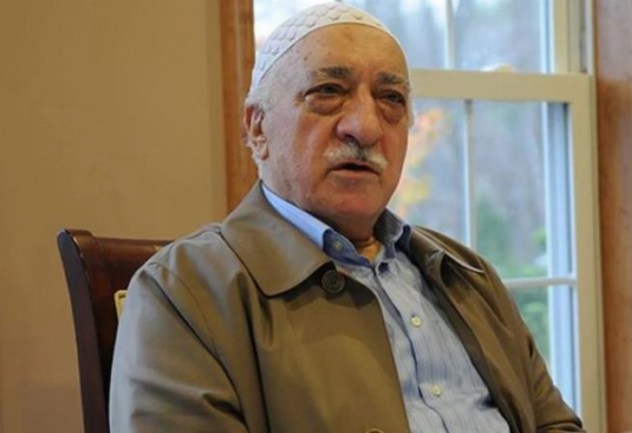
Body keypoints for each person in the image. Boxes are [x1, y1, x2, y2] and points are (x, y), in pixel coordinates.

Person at [109, 3, 584, 433]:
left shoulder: (468, 276)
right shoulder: (184, 294)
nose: (366, 127)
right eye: (328, 91)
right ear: (257, 128)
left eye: (391, 98)